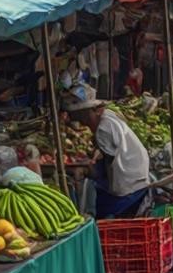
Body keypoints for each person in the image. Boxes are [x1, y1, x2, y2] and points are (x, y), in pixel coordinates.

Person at [64, 83, 151, 219]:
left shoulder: (103, 130)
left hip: (129, 183)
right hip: (139, 174)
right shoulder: (107, 118)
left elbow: (109, 167)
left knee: (89, 192)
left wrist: (91, 171)